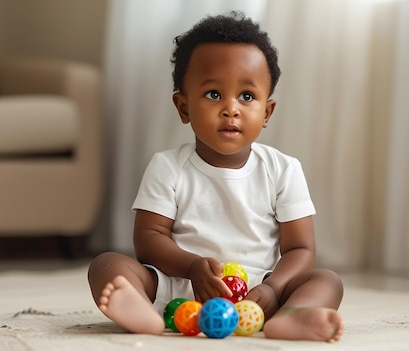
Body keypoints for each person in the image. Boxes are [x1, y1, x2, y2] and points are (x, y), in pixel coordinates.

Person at [87, 11, 344, 342]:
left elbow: (301, 249)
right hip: (178, 286)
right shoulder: (168, 167)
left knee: (326, 280)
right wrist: (193, 267)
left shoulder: (283, 169)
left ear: (267, 112)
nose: (231, 108)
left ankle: (293, 316)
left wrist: (274, 288)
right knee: (106, 264)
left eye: (247, 96)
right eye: (213, 94)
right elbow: (148, 241)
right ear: (183, 107)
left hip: (259, 292)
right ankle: (138, 308)